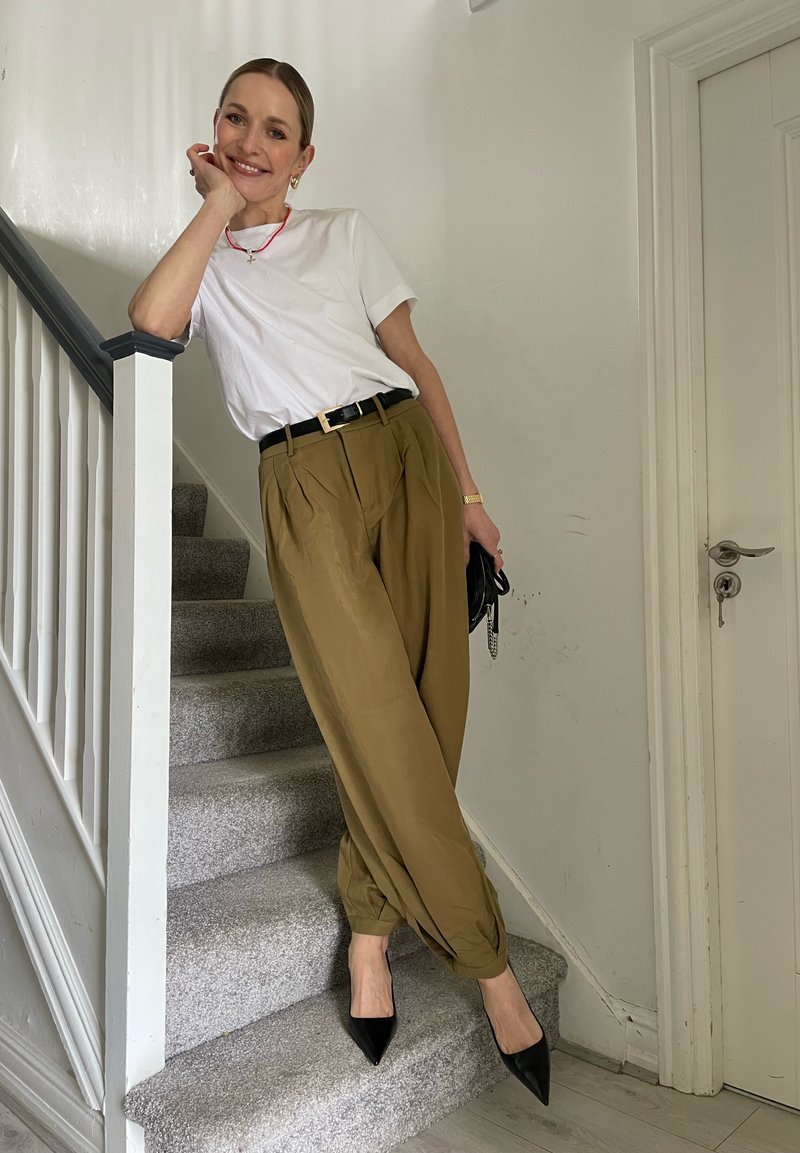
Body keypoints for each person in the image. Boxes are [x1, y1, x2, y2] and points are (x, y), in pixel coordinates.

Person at [128, 57, 550, 1105]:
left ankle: (368, 930)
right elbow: (149, 326)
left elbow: (417, 361)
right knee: (375, 723)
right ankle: (490, 969)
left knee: (426, 714)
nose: (252, 141)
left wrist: (466, 495)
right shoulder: (203, 258)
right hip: (300, 480)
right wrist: (217, 207)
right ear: (213, 132)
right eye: (236, 120)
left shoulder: (344, 234)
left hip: (403, 455)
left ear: (303, 157)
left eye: (276, 131)